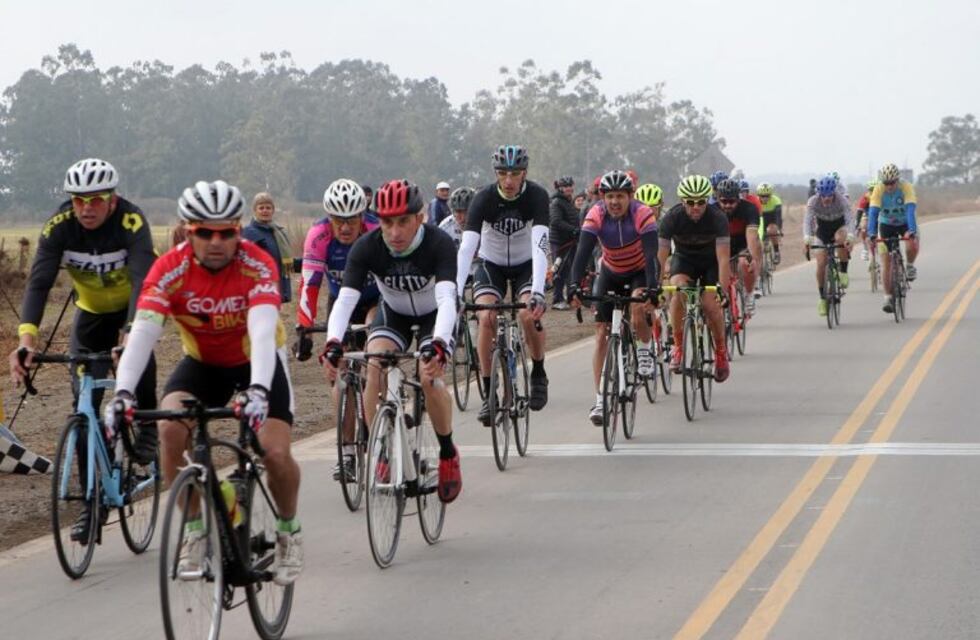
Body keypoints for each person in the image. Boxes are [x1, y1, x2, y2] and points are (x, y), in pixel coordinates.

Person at [105, 179, 303, 585]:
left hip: (256, 362)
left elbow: (264, 333)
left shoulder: (256, 263)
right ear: (187, 230)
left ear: (238, 230)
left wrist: (260, 391)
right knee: (169, 429)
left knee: (275, 453)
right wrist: (122, 393)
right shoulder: (168, 270)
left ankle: (288, 531)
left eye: (227, 232)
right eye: (204, 233)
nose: (217, 242)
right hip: (203, 363)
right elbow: (142, 337)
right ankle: (197, 527)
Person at [8, 157, 159, 544]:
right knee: (83, 409)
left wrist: (130, 334)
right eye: (78, 200)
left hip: (131, 310)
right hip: (90, 317)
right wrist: (26, 341)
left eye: (96, 199)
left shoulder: (132, 222)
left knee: (137, 354)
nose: (87, 208)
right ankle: (91, 507)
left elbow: (144, 279)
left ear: (113, 198)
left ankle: (147, 422)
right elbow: (39, 281)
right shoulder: (60, 226)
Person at [320, 179, 462, 503]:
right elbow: (344, 301)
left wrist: (438, 344)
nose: (394, 232)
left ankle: (447, 452)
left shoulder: (439, 244)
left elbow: (447, 299)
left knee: (429, 378)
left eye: (402, 222)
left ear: (420, 217)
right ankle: (379, 449)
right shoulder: (368, 246)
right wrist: (332, 342)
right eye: (386, 223)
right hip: (394, 314)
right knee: (374, 364)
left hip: (434, 316)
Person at [456, 145, 551, 425]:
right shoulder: (483, 198)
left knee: (525, 312)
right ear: (495, 173)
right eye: (502, 174)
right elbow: (467, 248)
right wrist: (456, 291)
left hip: (526, 263)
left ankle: (538, 371)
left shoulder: (536, 196)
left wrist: (537, 293)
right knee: (486, 317)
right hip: (491, 264)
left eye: (515, 174)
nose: (508, 181)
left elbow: (541, 245)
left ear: (525, 173)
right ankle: (488, 392)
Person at [295, 178, 380, 482]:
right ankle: (346, 455)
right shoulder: (318, 236)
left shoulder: (375, 230)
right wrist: (304, 330)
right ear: (328, 218)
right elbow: (309, 285)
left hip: (374, 298)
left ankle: (378, 414)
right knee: (339, 376)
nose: (345, 227)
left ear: (363, 216)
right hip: (340, 302)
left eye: (352, 219)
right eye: (338, 220)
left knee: (375, 352)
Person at [567, 170, 660, 424]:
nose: (615, 202)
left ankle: (644, 349)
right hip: (610, 272)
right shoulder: (595, 214)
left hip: (641, 271)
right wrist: (573, 284)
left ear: (630, 196)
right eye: (609, 196)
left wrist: (653, 288)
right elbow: (583, 251)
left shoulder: (642, 213)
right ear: (602, 197)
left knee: (639, 306)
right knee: (601, 333)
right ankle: (599, 400)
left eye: (620, 196)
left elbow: (652, 255)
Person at [657, 175, 731, 383]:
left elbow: (723, 259)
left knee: (711, 305)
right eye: (690, 202)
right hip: (684, 260)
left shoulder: (718, 218)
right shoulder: (671, 218)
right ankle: (678, 347)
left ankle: (720, 352)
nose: (696, 207)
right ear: (682, 201)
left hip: (711, 263)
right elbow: (661, 257)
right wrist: (655, 286)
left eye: (701, 202)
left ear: (707, 200)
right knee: (679, 289)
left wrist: (722, 290)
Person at [867, 162, 919, 313]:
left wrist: (911, 231)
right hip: (886, 225)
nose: (889, 186)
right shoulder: (879, 189)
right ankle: (887, 297)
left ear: (897, 180)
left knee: (911, 243)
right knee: (886, 262)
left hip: (904, 222)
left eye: (892, 183)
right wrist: (871, 233)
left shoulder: (906, 187)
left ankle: (909, 265)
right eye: (886, 183)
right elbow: (873, 213)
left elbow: (910, 210)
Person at [803, 175, 855, 317]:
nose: (826, 199)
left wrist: (850, 237)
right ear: (819, 193)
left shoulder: (841, 200)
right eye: (823, 196)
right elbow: (807, 221)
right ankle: (822, 298)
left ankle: (843, 271)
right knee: (820, 263)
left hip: (839, 227)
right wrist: (807, 239)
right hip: (822, 232)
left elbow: (850, 220)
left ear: (834, 192)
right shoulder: (813, 201)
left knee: (840, 239)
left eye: (829, 196)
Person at [716, 179, 763, 314]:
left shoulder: (749, 208)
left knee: (744, 263)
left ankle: (749, 295)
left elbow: (752, 235)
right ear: (718, 199)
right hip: (723, 243)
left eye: (731, 202)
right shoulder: (712, 210)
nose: (727, 205)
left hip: (743, 241)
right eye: (724, 201)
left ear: (738, 199)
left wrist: (751, 256)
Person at [242, 192, 293, 303]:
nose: (265, 211)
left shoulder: (278, 232)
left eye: (268, 208)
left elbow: (280, 260)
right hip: (259, 287)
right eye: (261, 208)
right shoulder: (249, 233)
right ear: (255, 210)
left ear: (273, 210)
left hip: (278, 284)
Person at [549, 176, 580, 310]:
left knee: (569, 270)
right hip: (559, 242)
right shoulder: (556, 202)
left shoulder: (568, 201)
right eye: (565, 186)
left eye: (570, 186)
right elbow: (556, 221)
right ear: (560, 188)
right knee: (559, 270)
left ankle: (569, 297)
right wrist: (573, 229)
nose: (569, 188)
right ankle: (557, 299)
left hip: (569, 241)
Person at [756, 183, 783, 265]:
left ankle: (776, 252)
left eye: (767, 196)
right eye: (762, 196)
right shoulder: (755, 202)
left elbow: (778, 217)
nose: (765, 198)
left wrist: (779, 229)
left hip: (772, 220)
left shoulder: (776, 200)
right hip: (761, 220)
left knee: (772, 231)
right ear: (758, 195)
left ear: (771, 195)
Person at [855, 180, 877, 261]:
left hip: (880, 216)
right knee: (863, 228)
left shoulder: (882, 196)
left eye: (875, 189)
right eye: (871, 189)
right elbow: (859, 211)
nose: (873, 191)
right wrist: (857, 224)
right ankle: (865, 248)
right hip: (867, 216)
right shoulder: (866, 197)